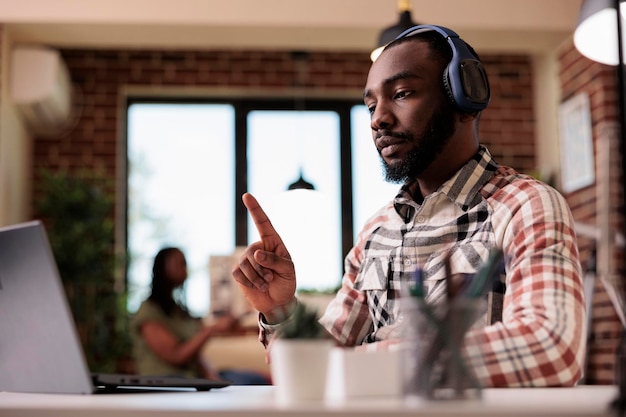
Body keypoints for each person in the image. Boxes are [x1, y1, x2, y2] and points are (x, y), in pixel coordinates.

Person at [232, 24, 586, 388]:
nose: (377, 119)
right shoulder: (375, 231)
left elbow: (551, 348)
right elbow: (313, 372)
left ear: (465, 100)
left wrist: (359, 364)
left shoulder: (524, 206)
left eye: (401, 93)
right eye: (371, 105)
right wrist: (279, 312)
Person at [131, 247, 269, 385]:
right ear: (163, 267)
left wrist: (211, 375)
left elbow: (195, 356)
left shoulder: (178, 310)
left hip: (192, 376)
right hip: (167, 380)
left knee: (255, 379)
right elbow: (176, 356)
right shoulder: (148, 311)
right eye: (181, 263)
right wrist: (211, 330)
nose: (185, 269)